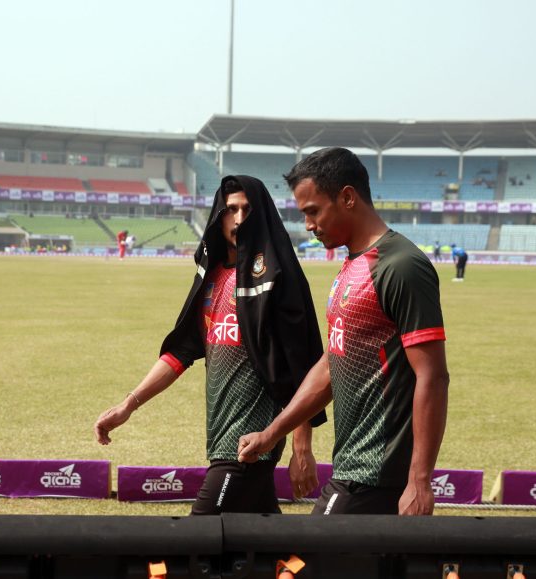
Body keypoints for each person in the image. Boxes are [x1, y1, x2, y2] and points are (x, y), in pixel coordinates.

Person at [94, 175, 326, 515]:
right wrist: (128, 405)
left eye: (248, 209)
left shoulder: (277, 277)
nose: (239, 218)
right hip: (222, 439)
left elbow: (301, 363)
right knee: (263, 545)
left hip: (250, 443)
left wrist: (301, 446)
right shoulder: (211, 276)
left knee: (198, 537)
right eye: (231, 209)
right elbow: (179, 353)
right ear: (219, 216)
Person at [237, 147, 449, 516]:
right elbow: (331, 366)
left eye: (313, 211)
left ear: (347, 197)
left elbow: (432, 376)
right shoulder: (352, 265)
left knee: (302, 563)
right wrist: (273, 433)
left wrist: (419, 481)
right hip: (352, 468)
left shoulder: (400, 266)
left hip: (376, 475)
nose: (308, 224)